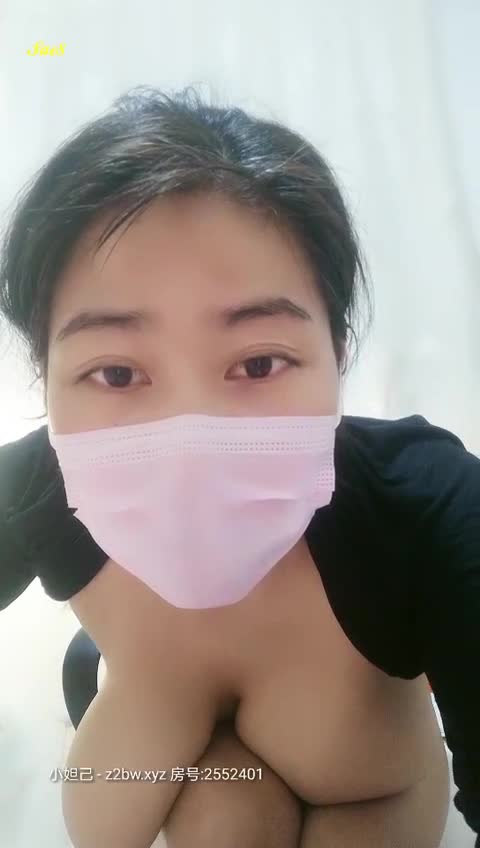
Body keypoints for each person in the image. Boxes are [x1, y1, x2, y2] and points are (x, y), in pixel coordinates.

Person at [0, 85, 478, 848]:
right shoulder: (35, 486)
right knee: (225, 822)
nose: (191, 440)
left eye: (258, 363)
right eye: (117, 373)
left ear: (337, 352)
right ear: (45, 375)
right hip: (166, 763)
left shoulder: (423, 502)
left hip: (366, 792)